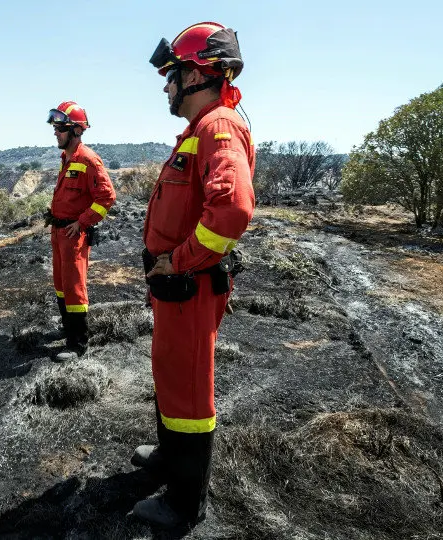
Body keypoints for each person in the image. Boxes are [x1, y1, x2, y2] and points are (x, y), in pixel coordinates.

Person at [132, 22, 256, 528]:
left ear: (196, 74)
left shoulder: (218, 126)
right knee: (170, 375)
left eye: (171, 76)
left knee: (188, 389)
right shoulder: (198, 131)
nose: (166, 86)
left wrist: (177, 261)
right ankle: (169, 459)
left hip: (189, 285)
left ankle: (184, 504)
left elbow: (232, 212)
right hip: (174, 286)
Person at [44, 101, 117, 362]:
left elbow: (107, 197)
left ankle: (78, 343)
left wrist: (83, 222)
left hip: (74, 235)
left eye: (60, 128)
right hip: (59, 232)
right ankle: (68, 329)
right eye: (55, 127)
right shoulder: (66, 158)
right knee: (61, 284)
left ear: (75, 130)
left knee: (74, 287)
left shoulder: (88, 159)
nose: (55, 132)